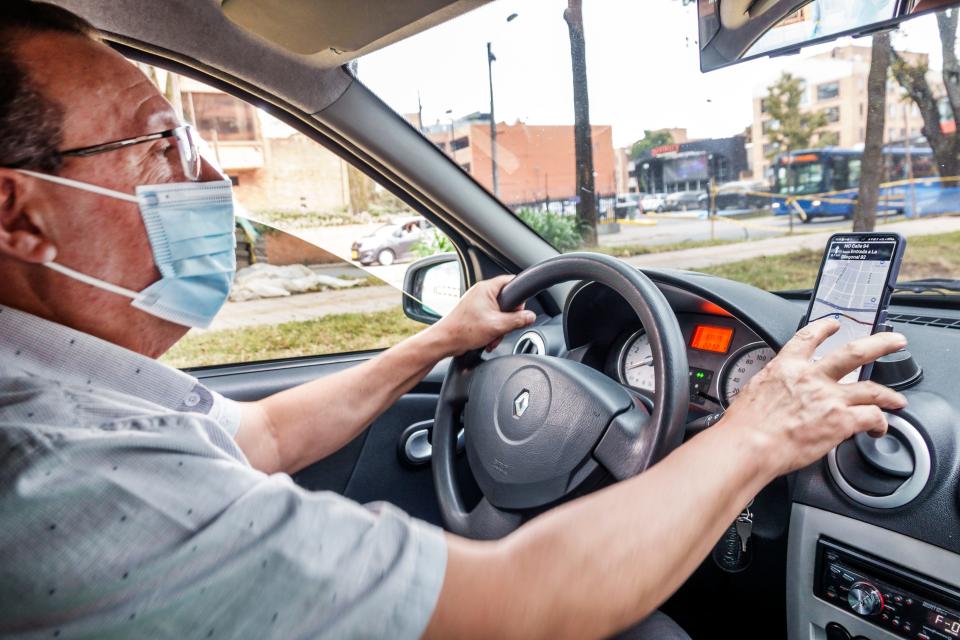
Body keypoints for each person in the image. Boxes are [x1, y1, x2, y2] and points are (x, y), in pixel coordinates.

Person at [0, 3, 909, 639]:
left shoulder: (76, 392)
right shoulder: (72, 476)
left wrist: (440, 340)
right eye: (161, 144)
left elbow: (267, 431)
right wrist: (757, 431)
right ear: (18, 214)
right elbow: (526, 599)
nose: (210, 181)